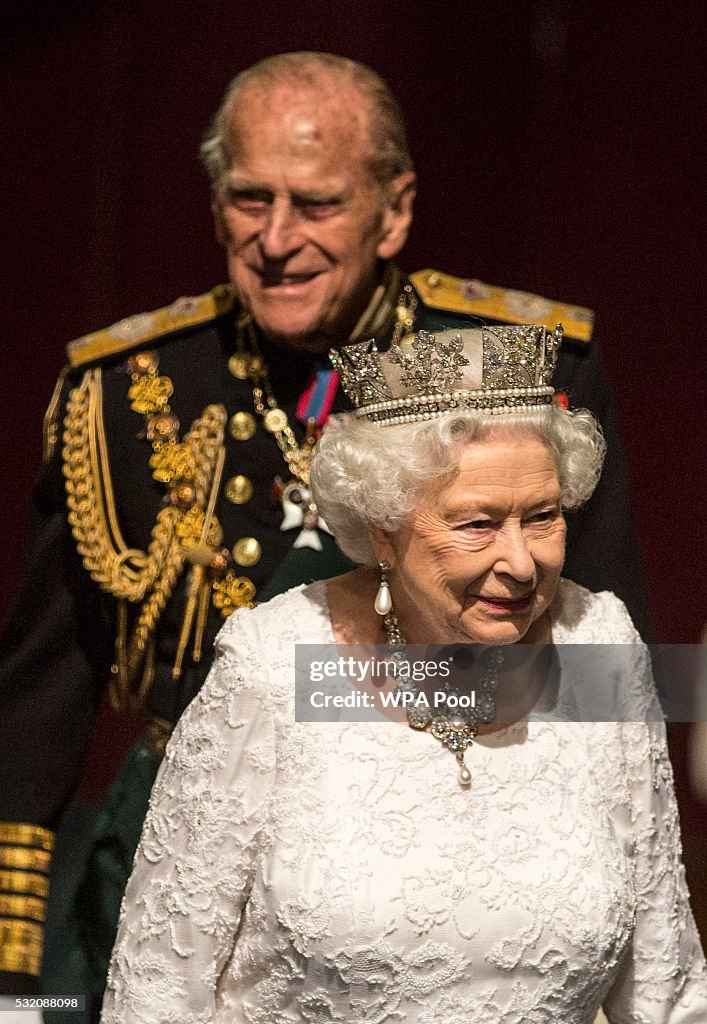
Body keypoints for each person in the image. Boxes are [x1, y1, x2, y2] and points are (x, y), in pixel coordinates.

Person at [0, 52, 651, 1003]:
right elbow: (34, 709)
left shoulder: (512, 373)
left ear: (393, 212)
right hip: (166, 871)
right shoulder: (116, 393)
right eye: (247, 199)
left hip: (437, 872)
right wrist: (13, 975)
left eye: (315, 205)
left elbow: (606, 678)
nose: (274, 239)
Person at [101, 319, 706, 1022]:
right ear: (383, 526)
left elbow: (662, 980)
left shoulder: (597, 643)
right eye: (477, 524)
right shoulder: (274, 663)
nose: (519, 562)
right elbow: (157, 993)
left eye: (541, 517)